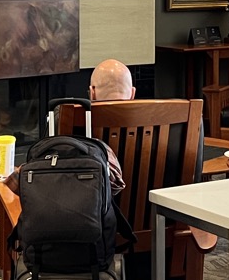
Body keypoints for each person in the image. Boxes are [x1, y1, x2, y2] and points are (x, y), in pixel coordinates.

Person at [89, 59, 218, 253]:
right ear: (132, 93)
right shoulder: (180, 123)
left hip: (96, 248)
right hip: (164, 249)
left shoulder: (78, 131)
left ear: (91, 93)